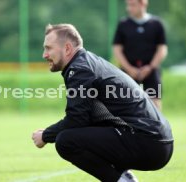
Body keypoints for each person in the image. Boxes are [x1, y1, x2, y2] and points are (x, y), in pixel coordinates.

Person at [32, 24, 173, 182]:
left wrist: (46, 135)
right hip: (157, 141)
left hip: (149, 143)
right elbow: (85, 119)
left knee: (66, 141)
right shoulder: (87, 62)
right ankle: (123, 175)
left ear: (67, 48)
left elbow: (76, 119)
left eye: (48, 48)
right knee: (78, 131)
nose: (44, 54)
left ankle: (121, 179)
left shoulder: (80, 69)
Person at [113, 0, 168, 110]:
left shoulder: (156, 24)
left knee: (155, 102)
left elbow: (162, 49)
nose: (129, 8)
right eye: (128, 5)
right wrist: (129, 68)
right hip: (128, 70)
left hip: (150, 70)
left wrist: (150, 67)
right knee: (124, 101)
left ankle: (156, 126)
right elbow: (117, 49)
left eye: (132, 5)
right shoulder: (123, 24)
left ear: (143, 4)